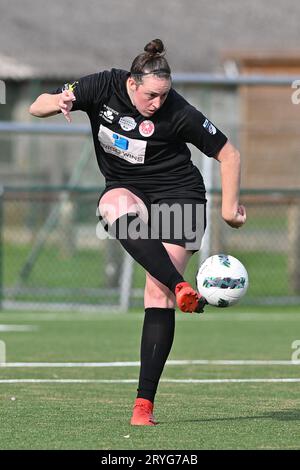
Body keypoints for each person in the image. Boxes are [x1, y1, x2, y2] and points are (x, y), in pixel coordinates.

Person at [29, 39, 246, 426]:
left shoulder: (179, 111)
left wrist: (229, 209)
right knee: (111, 206)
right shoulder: (101, 87)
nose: (158, 103)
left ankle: (143, 406)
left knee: (155, 292)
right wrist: (56, 103)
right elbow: (37, 104)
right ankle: (181, 285)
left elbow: (228, 153)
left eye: (164, 95)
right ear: (131, 83)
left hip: (180, 195)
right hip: (128, 187)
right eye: (151, 95)